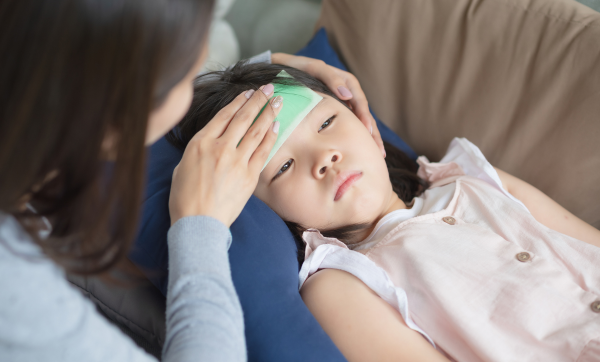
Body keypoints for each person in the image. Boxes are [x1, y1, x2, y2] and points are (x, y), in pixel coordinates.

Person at [0, 0, 381, 361]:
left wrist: (261, 77)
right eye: (186, 72)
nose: (202, 69)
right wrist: (200, 227)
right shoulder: (16, 288)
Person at [169, 61, 600, 362]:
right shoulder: (341, 284)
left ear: (366, 124)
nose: (326, 157)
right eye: (283, 166)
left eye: (325, 123)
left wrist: (277, 63)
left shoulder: (474, 177)